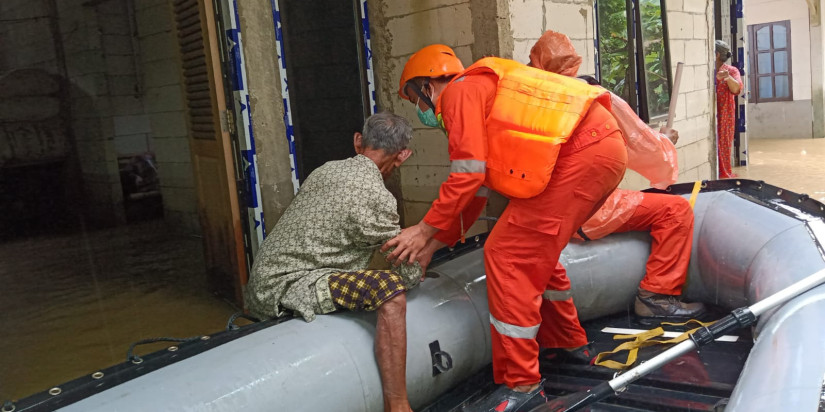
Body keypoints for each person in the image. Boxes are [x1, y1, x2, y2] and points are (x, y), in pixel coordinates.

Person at [386, 44, 628, 412]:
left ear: (429, 85)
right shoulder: (483, 87)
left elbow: (467, 175)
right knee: (536, 252)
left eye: (416, 99)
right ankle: (568, 343)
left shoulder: (459, 92)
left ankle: (522, 385)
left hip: (579, 156)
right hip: (599, 149)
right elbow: (476, 194)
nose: (420, 110)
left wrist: (422, 230)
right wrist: (435, 244)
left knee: (506, 254)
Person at [245, 112, 438, 412]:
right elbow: (409, 273)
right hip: (292, 286)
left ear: (358, 141)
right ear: (402, 156)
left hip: (261, 284)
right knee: (389, 289)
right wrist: (428, 246)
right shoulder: (377, 197)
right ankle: (398, 404)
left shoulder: (325, 170)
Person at [529, 31, 705, 321]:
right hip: (590, 209)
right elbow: (643, 144)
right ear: (572, 61)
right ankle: (656, 297)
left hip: (547, 212)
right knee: (675, 211)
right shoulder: (594, 96)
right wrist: (666, 140)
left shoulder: (530, 104)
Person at [714, 39, 743, 178]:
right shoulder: (707, 71)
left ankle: (724, 177)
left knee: (723, 146)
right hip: (710, 116)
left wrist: (727, 78)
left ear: (717, 55)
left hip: (725, 116)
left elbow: (737, 89)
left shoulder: (731, 70)